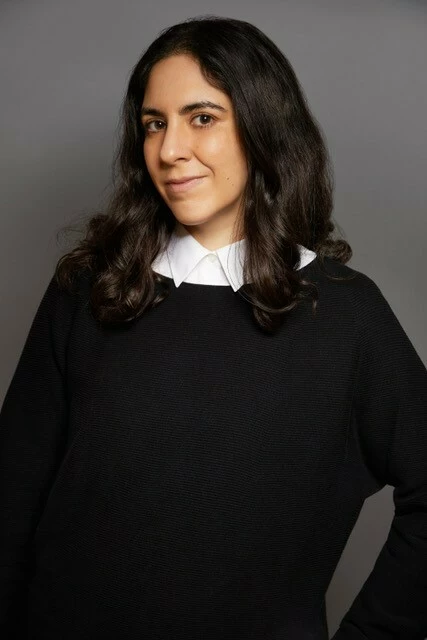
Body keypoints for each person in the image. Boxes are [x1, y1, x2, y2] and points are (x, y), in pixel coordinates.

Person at [0, 14, 426, 640]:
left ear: (263, 128)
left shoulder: (345, 315)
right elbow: (11, 497)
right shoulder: (90, 288)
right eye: (154, 124)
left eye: (201, 117)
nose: (169, 150)